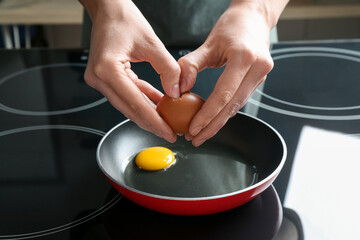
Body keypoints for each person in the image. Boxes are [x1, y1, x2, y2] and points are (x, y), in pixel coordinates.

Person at [79, 0, 289, 146]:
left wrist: (258, 11)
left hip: (240, 42)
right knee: (125, 135)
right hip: (120, 42)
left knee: (236, 139)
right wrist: (105, 7)